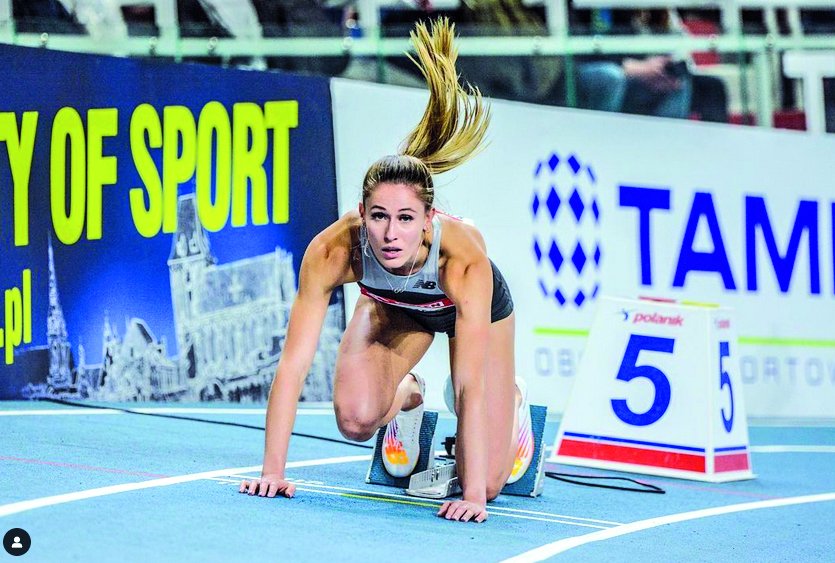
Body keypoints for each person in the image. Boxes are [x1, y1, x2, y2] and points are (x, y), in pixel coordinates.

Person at [238, 18, 533, 523]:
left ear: (429, 219)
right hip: (396, 308)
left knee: (487, 481)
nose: (390, 234)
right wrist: (273, 471)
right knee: (355, 419)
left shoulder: (463, 259)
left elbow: (468, 384)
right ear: (361, 213)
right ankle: (409, 398)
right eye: (378, 217)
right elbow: (293, 365)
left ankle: (515, 404)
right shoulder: (335, 250)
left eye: (405, 219)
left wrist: (474, 497)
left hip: (471, 311)